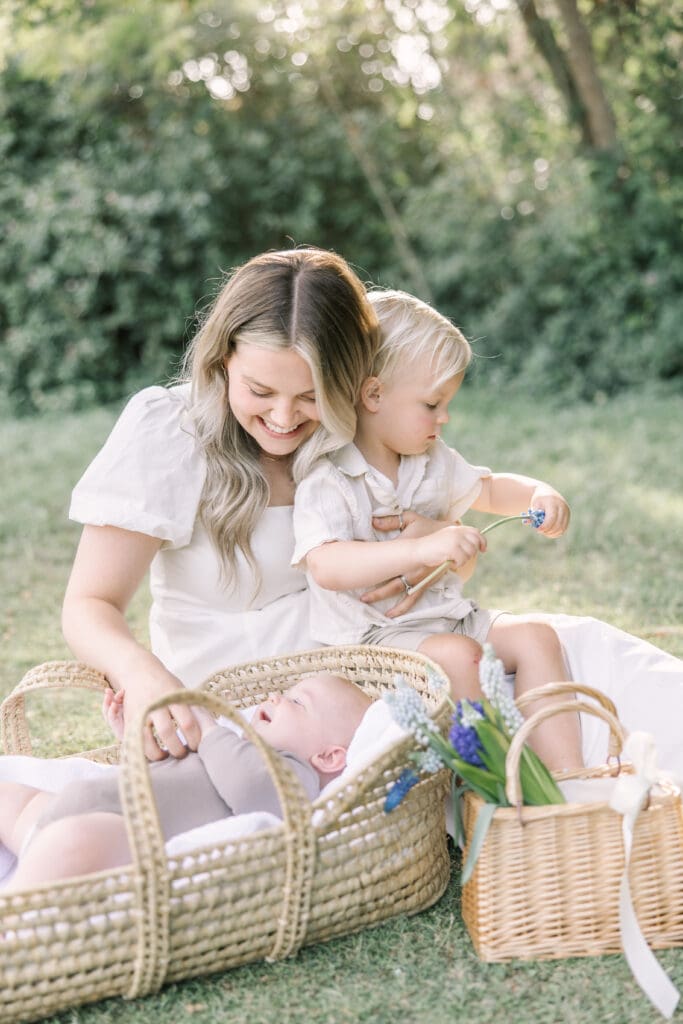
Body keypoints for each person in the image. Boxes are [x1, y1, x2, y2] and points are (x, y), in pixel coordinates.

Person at [59, 247, 383, 762]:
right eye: (260, 389)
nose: (283, 417)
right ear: (223, 359)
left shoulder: (357, 431)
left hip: (346, 726)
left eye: (310, 395)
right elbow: (88, 606)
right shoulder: (171, 432)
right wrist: (144, 676)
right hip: (217, 734)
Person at [292, 288, 583, 771]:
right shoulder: (331, 478)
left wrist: (539, 494)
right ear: (374, 395)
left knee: (536, 636)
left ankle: (566, 780)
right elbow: (326, 564)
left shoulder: (432, 461)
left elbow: (490, 489)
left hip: (447, 617)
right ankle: (493, 788)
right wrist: (423, 548)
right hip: (373, 643)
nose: (444, 417)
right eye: (432, 403)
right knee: (459, 655)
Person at [0, 673, 372, 891]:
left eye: (296, 702)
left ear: (328, 756)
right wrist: (130, 737)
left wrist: (210, 727)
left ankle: (15, 912)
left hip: (107, 837)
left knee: (73, 842)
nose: (276, 696)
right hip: (60, 808)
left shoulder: (291, 774)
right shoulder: (234, 748)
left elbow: (253, 790)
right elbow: (162, 773)